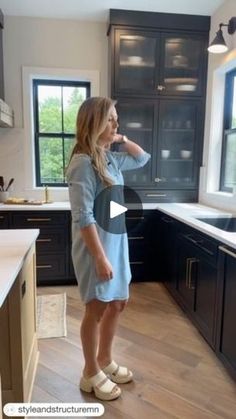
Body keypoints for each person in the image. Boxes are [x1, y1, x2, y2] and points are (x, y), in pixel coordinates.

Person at [66, 96, 150, 401]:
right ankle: (89, 371)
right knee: (96, 307)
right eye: (111, 119)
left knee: (118, 303)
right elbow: (83, 217)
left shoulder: (110, 157)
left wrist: (122, 139)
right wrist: (100, 259)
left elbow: (143, 158)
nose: (117, 124)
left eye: (116, 119)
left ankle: (104, 359)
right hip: (95, 248)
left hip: (117, 241)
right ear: (95, 122)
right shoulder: (81, 163)